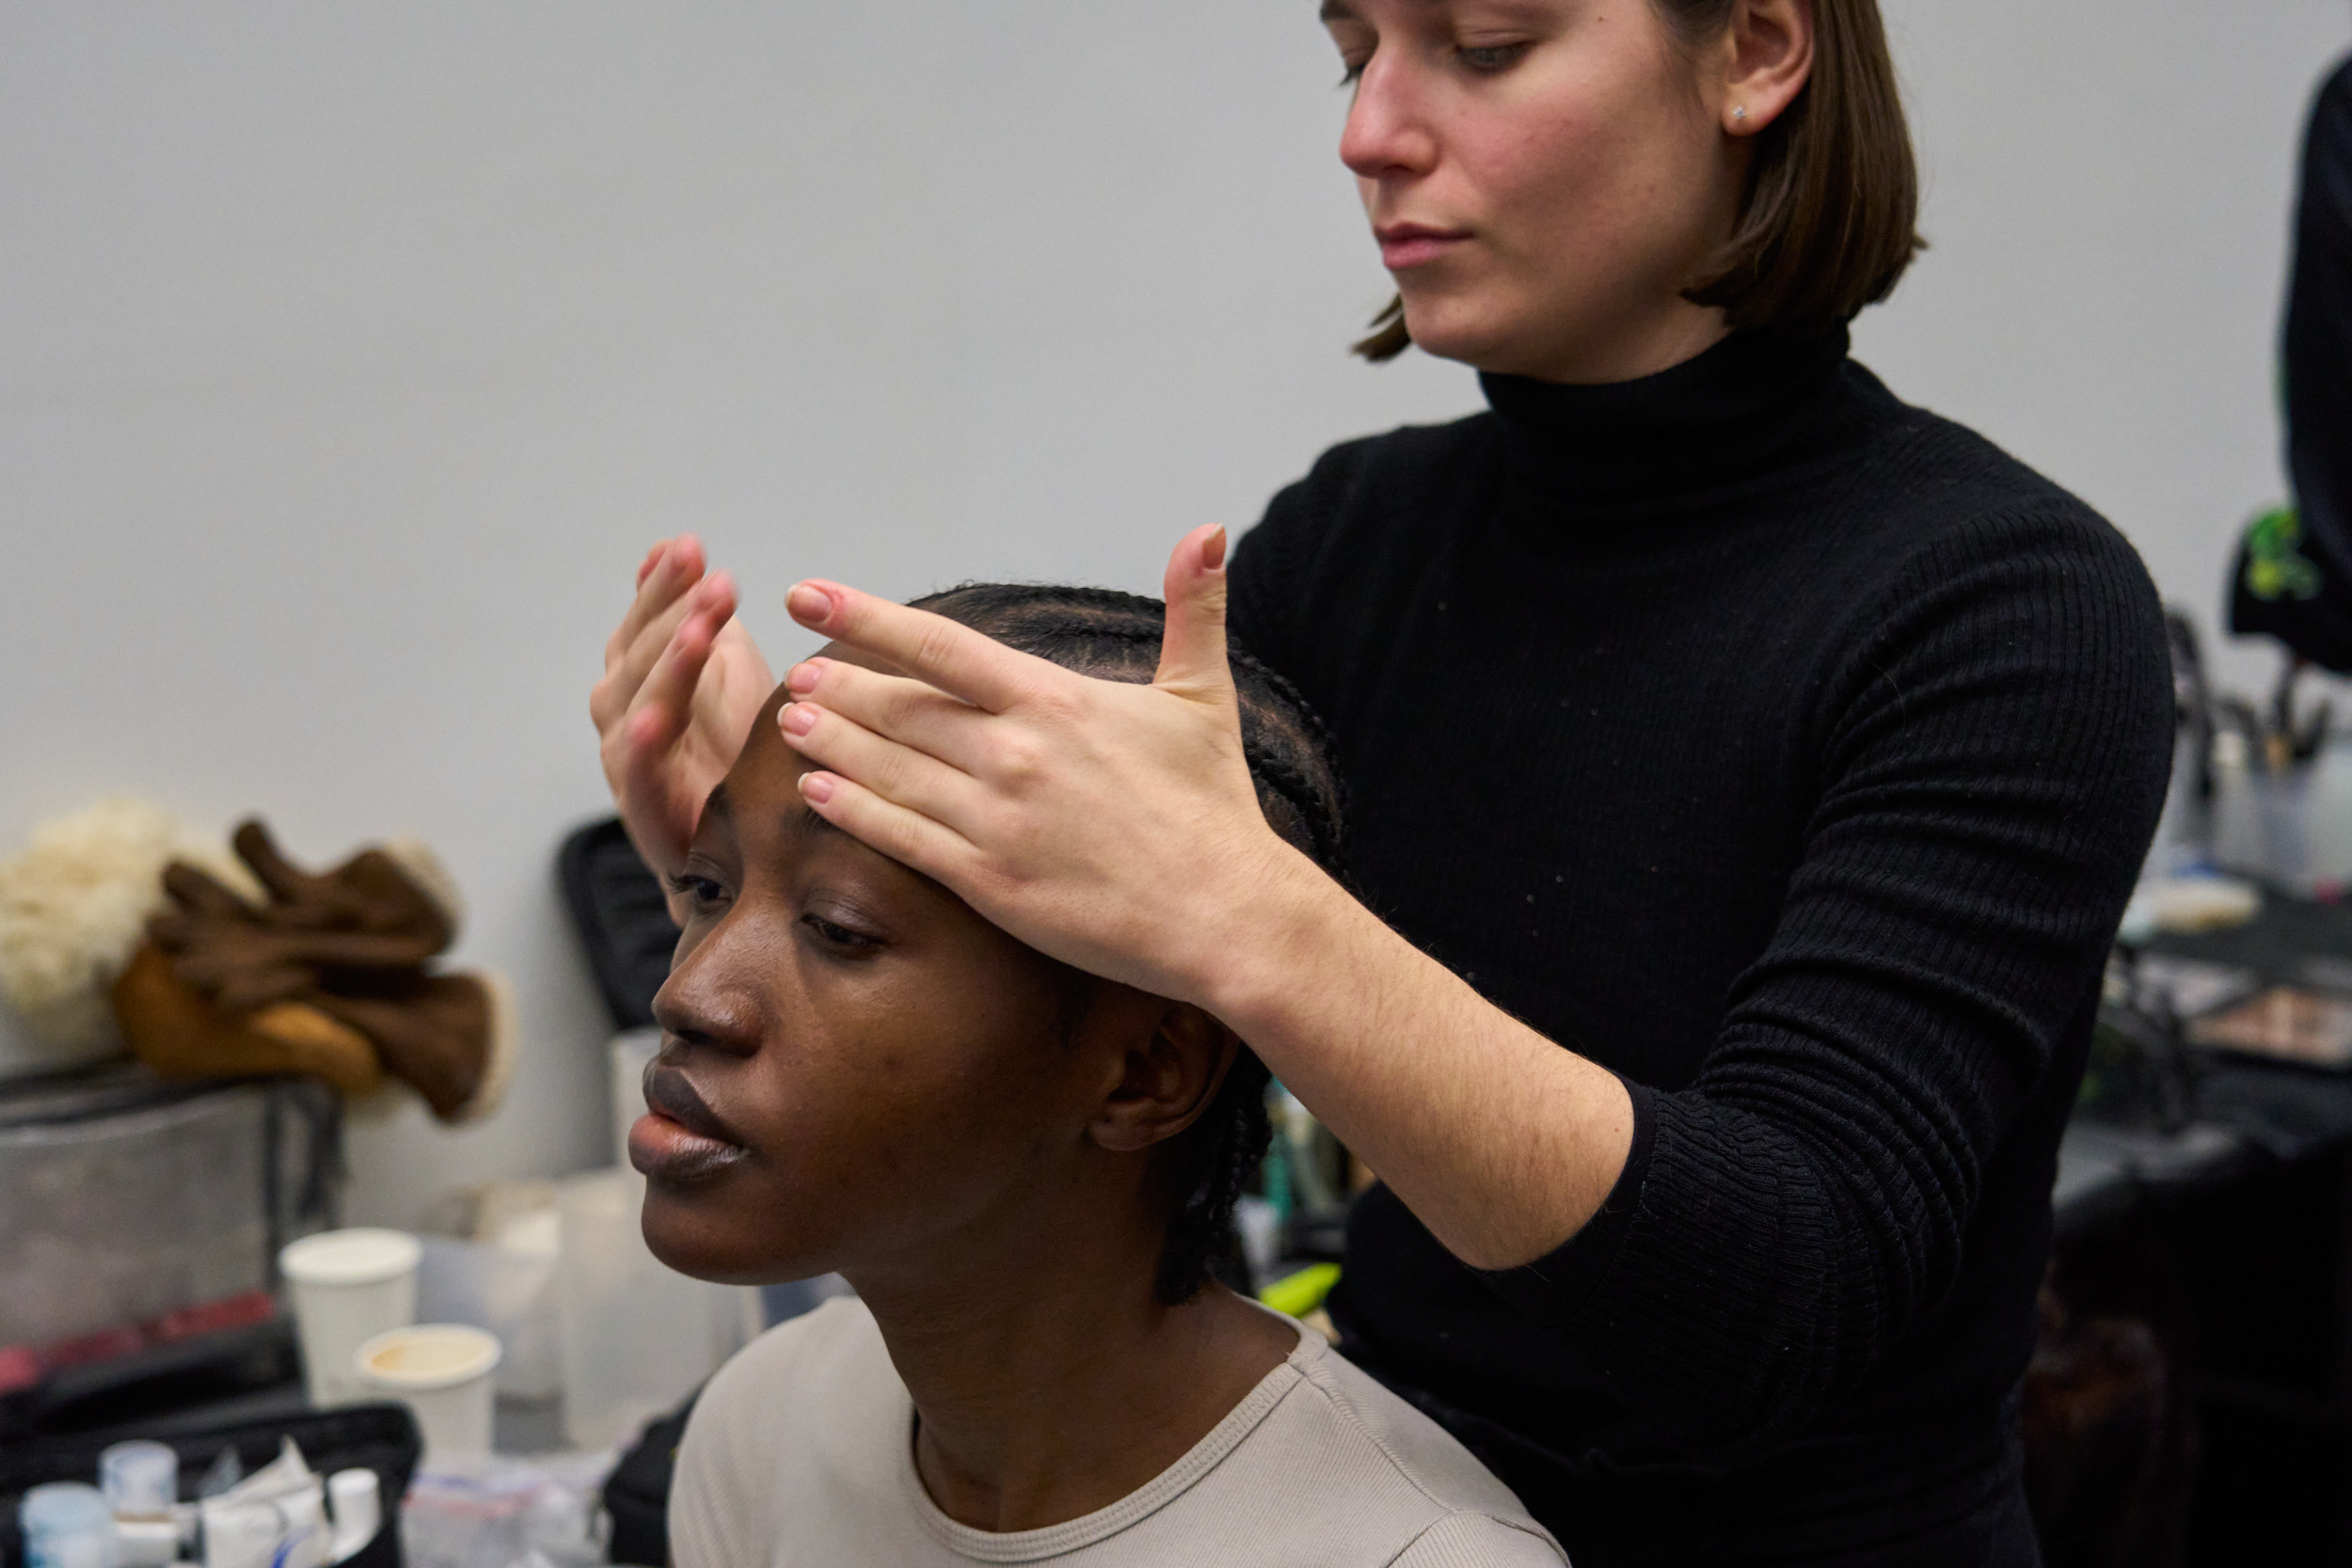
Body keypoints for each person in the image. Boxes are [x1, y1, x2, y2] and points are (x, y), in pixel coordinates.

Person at [594, 2, 2175, 1561]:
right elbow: (1088, 1029)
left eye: (1484, 47)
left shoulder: (2001, 611)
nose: (1369, 134)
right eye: (1355, 56)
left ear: (1758, 50)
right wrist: (783, 862)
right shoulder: (1359, 544)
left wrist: (1250, 918)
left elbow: (1768, 1307)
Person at [643, 583, 1567, 1568]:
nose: (688, 993)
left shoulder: (1412, 1554)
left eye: (839, 927)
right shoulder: (763, 1428)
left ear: (1144, 1072)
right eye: (705, 887)